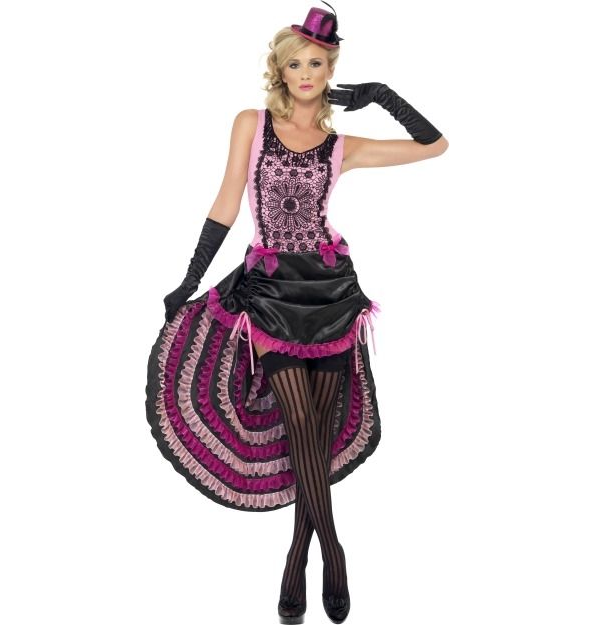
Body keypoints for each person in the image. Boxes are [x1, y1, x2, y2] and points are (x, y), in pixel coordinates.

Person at [146, 2, 448, 623]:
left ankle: (297, 558)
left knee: (316, 431)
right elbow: (226, 203)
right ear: (279, 71)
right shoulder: (251, 124)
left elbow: (436, 145)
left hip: (331, 293)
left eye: (315, 63)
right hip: (270, 291)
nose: (305, 74)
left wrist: (381, 94)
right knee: (301, 422)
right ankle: (332, 552)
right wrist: (190, 279)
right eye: (294, 64)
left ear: (330, 69)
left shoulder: (343, 146)